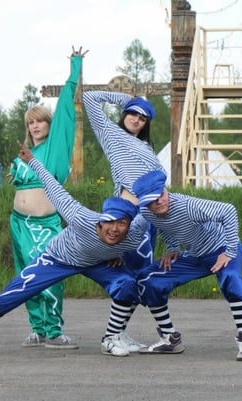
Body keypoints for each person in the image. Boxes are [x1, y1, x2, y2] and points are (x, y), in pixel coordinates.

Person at [0, 142, 149, 357]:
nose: (115, 229)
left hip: (96, 263)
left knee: (127, 283)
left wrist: (122, 254)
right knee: (12, 295)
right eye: (109, 222)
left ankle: (111, 338)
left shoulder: (134, 233)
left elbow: (158, 211)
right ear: (100, 221)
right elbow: (53, 186)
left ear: (129, 225)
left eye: (122, 224)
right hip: (58, 259)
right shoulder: (80, 218)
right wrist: (32, 160)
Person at [6, 46, 86, 349]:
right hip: (19, 223)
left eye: (40, 121)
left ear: (50, 125)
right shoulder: (25, 155)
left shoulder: (55, 151)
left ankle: (54, 330)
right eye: (31, 122)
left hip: (45, 224)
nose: (35, 126)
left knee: (49, 274)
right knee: (26, 275)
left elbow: (65, 108)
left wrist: (74, 68)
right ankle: (37, 328)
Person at [133, 170, 242, 361]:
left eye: (161, 194)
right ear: (144, 203)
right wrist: (173, 247)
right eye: (152, 200)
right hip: (196, 255)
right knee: (149, 280)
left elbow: (228, 211)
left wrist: (230, 251)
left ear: (166, 190)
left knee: (231, 279)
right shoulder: (148, 213)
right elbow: (163, 226)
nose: (160, 201)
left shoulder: (188, 206)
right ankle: (170, 339)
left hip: (222, 250)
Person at [83, 90, 165, 350]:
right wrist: (127, 99)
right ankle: (112, 335)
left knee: (141, 275)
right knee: (126, 274)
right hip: (126, 215)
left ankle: (120, 332)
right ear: (125, 114)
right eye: (133, 113)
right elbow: (89, 98)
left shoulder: (147, 149)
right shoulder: (110, 134)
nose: (136, 119)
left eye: (143, 118)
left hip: (148, 217)